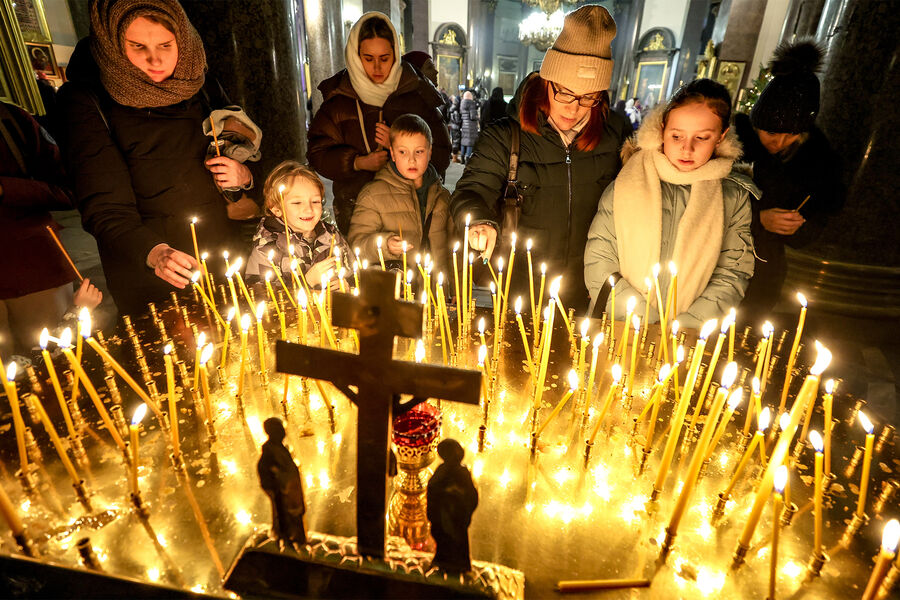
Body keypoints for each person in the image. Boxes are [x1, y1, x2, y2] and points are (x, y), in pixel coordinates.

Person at [57, 0, 255, 315]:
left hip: (223, 252)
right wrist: (155, 253)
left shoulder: (198, 83)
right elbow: (104, 207)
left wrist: (243, 174)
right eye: (138, 46)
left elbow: (243, 146)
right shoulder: (87, 101)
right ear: (113, 46)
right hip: (153, 268)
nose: (156, 59)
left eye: (166, 44)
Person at [450, 5, 630, 310]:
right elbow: (470, 191)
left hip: (588, 287)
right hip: (520, 285)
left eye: (588, 97)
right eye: (565, 92)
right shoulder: (506, 135)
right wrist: (480, 221)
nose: (574, 108)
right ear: (546, 82)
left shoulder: (615, 134)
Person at [584, 79, 756, 329]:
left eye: (702, 137)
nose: (687, 148)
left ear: (721, 137)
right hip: (620, 326)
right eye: (677, 136)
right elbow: (600, 256)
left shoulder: (731, 197)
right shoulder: (627, 182)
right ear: (662, 129)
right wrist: (644, 322)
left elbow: (733, 271)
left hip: (689, 336)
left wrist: (685, 327)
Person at [307, 12, 451, 234]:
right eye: (368, 58)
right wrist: (357, 163)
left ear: (396, 55)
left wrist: (402, 144)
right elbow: (317, 152)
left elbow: (441, 150)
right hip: (355, 210)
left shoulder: (417, 93)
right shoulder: (338, 100)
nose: (377, 68)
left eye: (384, 58)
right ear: (356, 55)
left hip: (411, 210)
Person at [735, 40, 843, 321]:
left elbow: (823, 213)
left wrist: (799, 226)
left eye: (790, 135)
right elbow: (709, 198)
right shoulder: (734, 143)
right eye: (771, 133)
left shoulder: (817, 159)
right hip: (722, 259)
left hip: (766, 272)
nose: (779, 142)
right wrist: (758, 217)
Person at [0, 100, 102, 358]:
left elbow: (70, 189)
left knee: (55, 366)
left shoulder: (11, 121)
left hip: (32, 267)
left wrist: (7, 189)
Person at [348, 114, 454, 275]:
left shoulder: (442, 196)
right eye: (403, 152)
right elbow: (356, 245)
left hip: (436, 293)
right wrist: (385, 245)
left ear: (429, 152)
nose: (411, 160)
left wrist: (455, 287)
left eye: (419, 151)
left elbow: (454, 248)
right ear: (392, 153)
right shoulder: (373, 195)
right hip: (398, 293)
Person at [244, 161, 351, 289]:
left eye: (315, 201)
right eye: (297, 203)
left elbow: (354, 273)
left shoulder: (331, 235)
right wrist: (307, 283)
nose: (309, 209)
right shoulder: (266, 248)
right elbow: (259, 295)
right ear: (275, 208)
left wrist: (348, 285)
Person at [427, 439, 478, 573]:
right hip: (443, 512)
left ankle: (458, 564)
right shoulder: (442, 470)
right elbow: (433, 486)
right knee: (443, 537)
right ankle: (442, 561)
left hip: (456, 514)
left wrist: (456, 496)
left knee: (456, 539)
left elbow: (471, 494)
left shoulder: (462, 472)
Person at [257, 417, 307, 545]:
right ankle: (287, 539)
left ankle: (296, 539)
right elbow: (265, 472)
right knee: (286, 519)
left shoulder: (281, 448)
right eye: (281, 430)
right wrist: (279, 486)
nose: (285, 433)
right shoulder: (270, 452)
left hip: (292, 493)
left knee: (295, 517)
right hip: (284, 494)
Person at [459, 90, 479, 163]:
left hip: (464, 125)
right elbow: (473, 116)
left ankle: (462, 157)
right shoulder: (471, 103)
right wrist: (478, 117)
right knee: (470, 142)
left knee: (464, 141)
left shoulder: (462, 103)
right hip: (471, 126)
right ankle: (468, 157)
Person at [447, 95, 462, 161]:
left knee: (454, 141)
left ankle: (454, 156)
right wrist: (461, 120)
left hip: (453, 127)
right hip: (456, 127)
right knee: (456, 142)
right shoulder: (456, 111)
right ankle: (454, 158)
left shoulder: (452, 109)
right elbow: (457, 121)